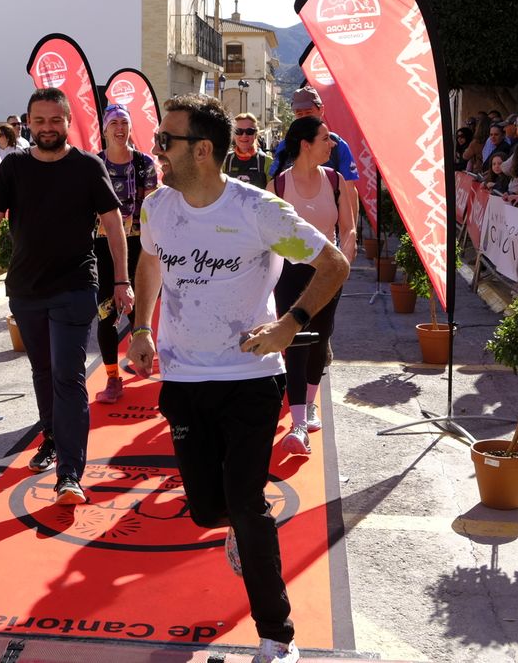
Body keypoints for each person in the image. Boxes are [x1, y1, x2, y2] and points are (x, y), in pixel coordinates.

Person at [129, 93, 350, 663]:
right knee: (207, 508)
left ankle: (277, 634)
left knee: (248, 503)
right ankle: (231, 522)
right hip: (183, 378)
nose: (156, 151)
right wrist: (141, 328)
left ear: (202, 151)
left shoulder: (257, 211)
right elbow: (150, 259)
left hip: (251, 379)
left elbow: (334, 264)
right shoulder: (158, 207)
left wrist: (289, 325)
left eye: (165, 142)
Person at [0, 87, 131, 505]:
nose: (47, 128)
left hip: (75, 287)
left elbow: (114, 225)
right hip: (26, 289)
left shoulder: (87, 167)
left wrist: (121, 280)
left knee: (68, 376)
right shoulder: (13, 166)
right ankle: (51, 438)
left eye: (55, 120)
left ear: (68, 122)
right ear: (28, 122)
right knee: (43, 373)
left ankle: (70, 474)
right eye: (40, 120)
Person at [270, 115, 356, 455]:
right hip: (290, 273)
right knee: (295, 340)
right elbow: (267, 234)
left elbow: (348, 228)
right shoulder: (278, 186)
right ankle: (298, 424)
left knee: (320, 338)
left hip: (328, 273)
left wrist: (342, 262)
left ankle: (308, 402)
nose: (331, 144)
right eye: (325, 138)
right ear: (306, 144)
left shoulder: (335, 180)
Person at [91, 104, 159, 404]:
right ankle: (112, 378)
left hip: (137, 245)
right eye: (114, 123)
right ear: (104, 129)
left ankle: (142, 360)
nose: (120, 128)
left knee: (138, 311)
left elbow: (151, 207)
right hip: (102, 247)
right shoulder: (93, 164)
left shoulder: (144, 163)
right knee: (105, 313)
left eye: (124, 122)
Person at [270, 87, 358, 184]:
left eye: (308, 112)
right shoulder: (285, 146)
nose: (304, 118)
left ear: (321, 110)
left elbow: (349, 189)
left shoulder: (337, 145)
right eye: (299, 114)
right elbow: (274, 186)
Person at [224, 111, 273, 188]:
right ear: (233, 134)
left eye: (249, 131)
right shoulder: (225, 161)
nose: (244, 135)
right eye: (239, 131)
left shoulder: (267, 162)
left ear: (256, 134)